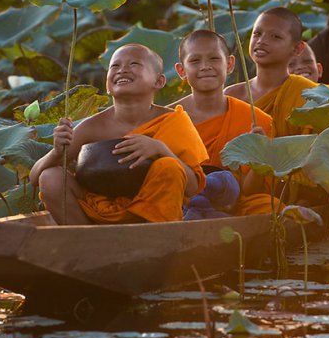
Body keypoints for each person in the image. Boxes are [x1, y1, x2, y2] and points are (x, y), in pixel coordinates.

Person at [30, 44, 208, 224]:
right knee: (50, 176)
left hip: (155, 219)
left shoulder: (174, 121)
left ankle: (156, 244)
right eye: (115, 66)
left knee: (169, 166)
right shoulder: (93, 126)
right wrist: (57, 152)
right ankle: (86, 243)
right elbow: (35, 177)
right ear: (107, 84)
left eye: (134, 64)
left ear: (159, 81)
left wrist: (160, 149)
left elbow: (193, 188)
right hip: (99, 214)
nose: (122, 70)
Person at [172, 30, 277, 217]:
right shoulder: (169, 117)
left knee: (269, 207)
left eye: (214, 59)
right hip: (182, 203)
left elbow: (250, 191)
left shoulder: (255, 120)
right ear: (181, 71)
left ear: (229, 64)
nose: (205, 67)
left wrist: (258, 158)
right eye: (195, 61)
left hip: (234, 205)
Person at [224, 7, 317, 137]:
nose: (261, 41)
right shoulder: (231, 96)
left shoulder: (309, 96)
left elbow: (316, 151)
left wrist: (267, 148)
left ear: (297, 48)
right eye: (257, 33)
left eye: (275, 36)